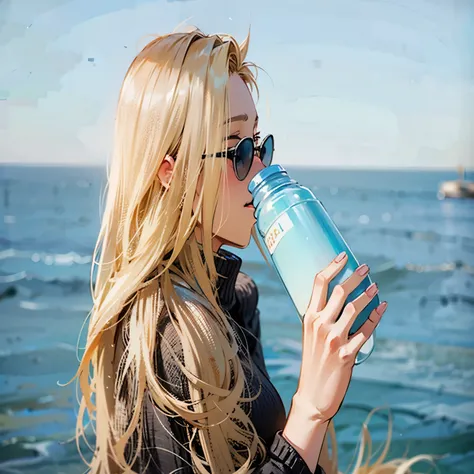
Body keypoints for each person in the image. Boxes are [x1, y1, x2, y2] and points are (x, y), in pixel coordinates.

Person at [72, 28, 425, 474]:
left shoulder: (236, 297)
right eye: (236, 149)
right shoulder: (164, 341)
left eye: (259, 144)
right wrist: (312, 408)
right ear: (170, 170)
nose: (260, 168)